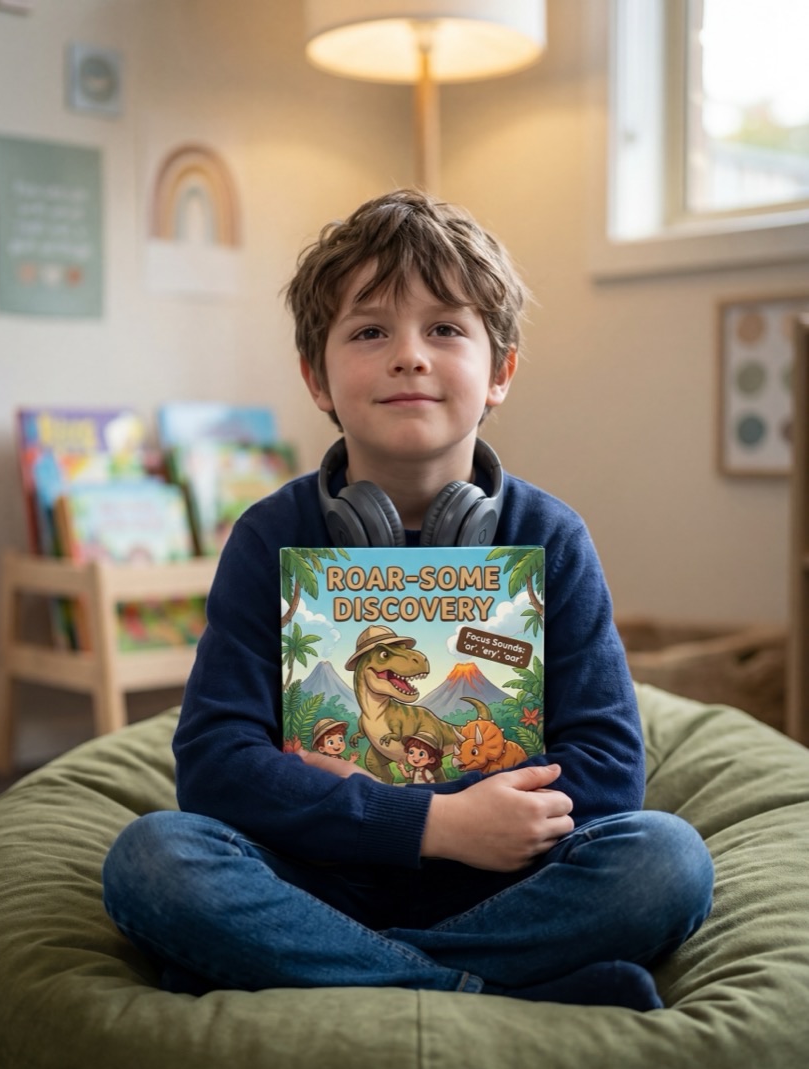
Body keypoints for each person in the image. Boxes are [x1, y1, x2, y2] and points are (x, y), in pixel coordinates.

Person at [102, 189, 714, 1010]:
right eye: (369, 331)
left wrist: (476, 827)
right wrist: (434, 825)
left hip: (508, 882)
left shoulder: (552, 538)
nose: (409, 356)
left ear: (500, 371)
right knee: (152, 860)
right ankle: (488, 985)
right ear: (316, 377)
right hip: (310, 877)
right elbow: (214, 768)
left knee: (667, 860)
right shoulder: (267, 537)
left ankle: (312, 970)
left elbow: (608, 772)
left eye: (446, 329)